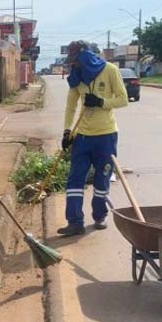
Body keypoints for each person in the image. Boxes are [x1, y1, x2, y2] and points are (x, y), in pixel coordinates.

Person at [57, 40, 128, 236]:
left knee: (102, 178)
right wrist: (66, 132)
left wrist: (101, 102)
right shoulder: (76, 77)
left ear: (86, 56)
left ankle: (99, 216)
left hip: (106, 136)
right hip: (83, 137)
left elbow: (123, 99)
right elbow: (71, 106)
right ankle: (75, 222)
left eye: (77, 60)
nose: (75, 64)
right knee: (75, 179)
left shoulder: (111, 70)